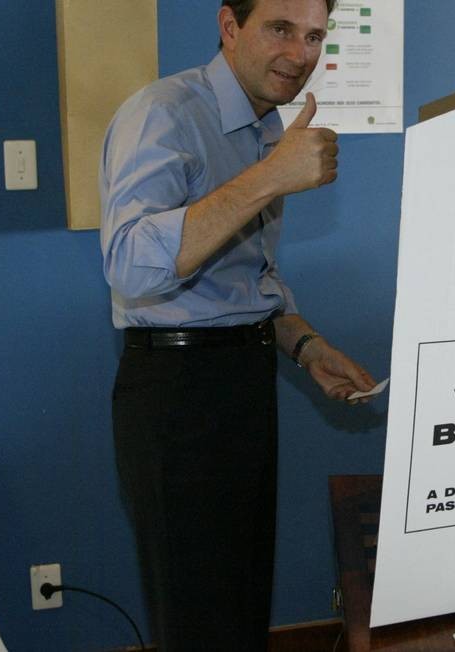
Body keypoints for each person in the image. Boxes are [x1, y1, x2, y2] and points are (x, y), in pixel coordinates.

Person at [99, 1, 375, 648]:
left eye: (314, 36)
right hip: (177, 391)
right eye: (281, 29)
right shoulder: (164, 112)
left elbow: (244, 279)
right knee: (199, 618)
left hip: (244, 378)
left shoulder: (263, 127)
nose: (301, 53)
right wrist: (268, 177)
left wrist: (304, 344)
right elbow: (131, 266)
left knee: (241, 599)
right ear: (229, 27)